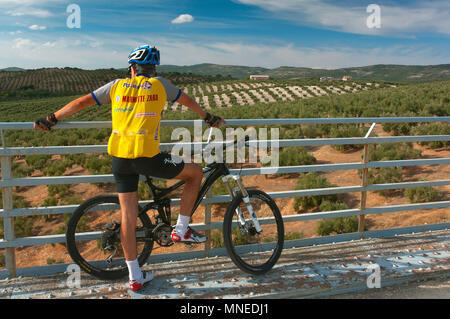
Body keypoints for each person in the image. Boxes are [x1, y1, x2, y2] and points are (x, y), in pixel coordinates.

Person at [34, 44, 226, 291]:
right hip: (148, 157)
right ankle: (181, 229)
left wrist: (51, 119)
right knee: (196, 172)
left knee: (127, 216)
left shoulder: (116, 86)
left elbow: (82, 102)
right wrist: (208, 117)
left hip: (120, 159)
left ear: (131, 69)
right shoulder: (160, 85)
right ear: (153, 68)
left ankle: (135, 276)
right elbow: (187, 100)